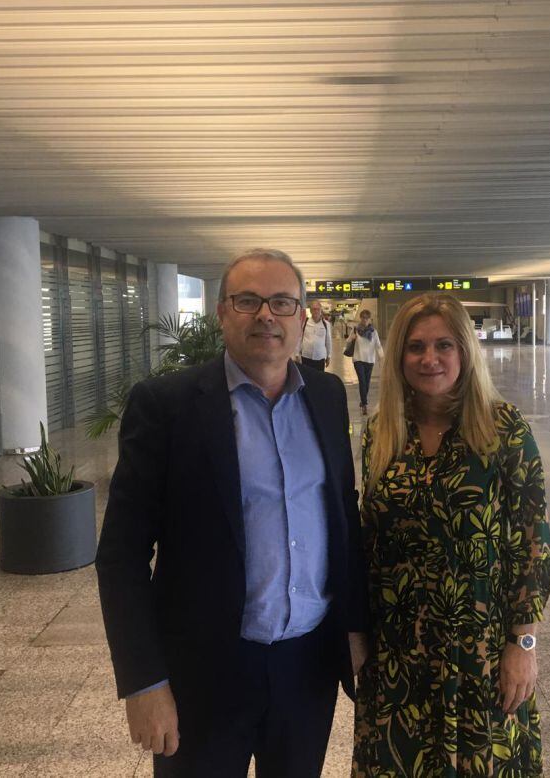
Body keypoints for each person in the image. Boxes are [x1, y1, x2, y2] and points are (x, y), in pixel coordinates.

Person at [95, 248, 369, 778]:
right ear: (222, 313)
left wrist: (355, 628)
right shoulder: (167, 405)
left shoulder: (328, 396)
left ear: (302, 316)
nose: (266, 315)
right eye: (248, 301)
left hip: (306, 668)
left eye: (282, 303)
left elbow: (343, 520)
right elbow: (121, 556)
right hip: (204, 673)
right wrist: (144, 682)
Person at [352, 293, 550, 777]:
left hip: (479, 648)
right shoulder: (381, 434)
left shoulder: (502, 429)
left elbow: (533, 540)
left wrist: (522, 645)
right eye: (416, 347)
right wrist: (356, 632)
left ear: (465, 350)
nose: (430, 359)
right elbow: (367, 539)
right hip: (399, 650)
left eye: (444, 345)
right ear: (398, 356)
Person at [346, 309, 384, 416]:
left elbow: (378, 346)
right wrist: (352, 338)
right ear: (360, 318)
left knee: (366, 383)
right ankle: (365, 404)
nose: (365, 320)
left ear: (369, 319)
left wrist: (382, 357)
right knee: (362, 381)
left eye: (367, 318)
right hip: (358, 359)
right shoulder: (355, 330)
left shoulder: (373, 332)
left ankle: (363, 400)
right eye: (363, 318)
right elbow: (347, 341)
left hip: (370, 360)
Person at [299, 300, 331, 371]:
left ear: (320, 310)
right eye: (314, 309)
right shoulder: (305, 323)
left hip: (320, 357)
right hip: (306, 356)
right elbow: (299, 338)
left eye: (318, 309)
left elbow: (328, 341)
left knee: (319, 379)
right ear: (310, 311)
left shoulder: (326, 324)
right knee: (307, 379)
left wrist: (328, 356)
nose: (316, 311)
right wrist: (297, 353)